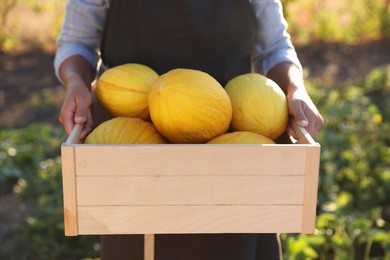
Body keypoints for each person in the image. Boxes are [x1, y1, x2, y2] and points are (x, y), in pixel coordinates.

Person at [54, 0, 324, 259]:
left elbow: (273, 47)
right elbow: (77, 41)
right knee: (135, 239)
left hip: (230, 127)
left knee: (233, 237)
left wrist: (295, 87)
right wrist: (76, 82)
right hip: (130, 136)